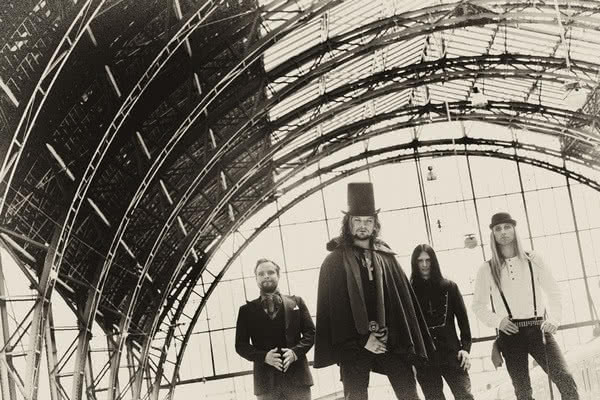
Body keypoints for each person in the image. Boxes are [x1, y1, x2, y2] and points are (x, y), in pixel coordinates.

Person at [314, 182, 434, 400]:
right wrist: (362, 341)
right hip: (353, 345)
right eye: (357, 220)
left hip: (391, 341)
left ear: (375, 224)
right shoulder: (334, 262)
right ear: (348, 223)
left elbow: (401, 306)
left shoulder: (387, 258)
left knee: (408, 393)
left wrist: (389, 335)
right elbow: (334, 311)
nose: (363, 226)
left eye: (368, 221)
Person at [472, 212, 579, 400]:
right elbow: (478, 306)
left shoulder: (533, 259)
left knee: (565, 378)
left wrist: (554, 319)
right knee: (523, 392)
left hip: (539, 330)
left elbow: (554, 291)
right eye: (498, 229)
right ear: (493, 234)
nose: (503, 232)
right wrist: (498, 321)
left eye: (507, 227)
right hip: (510, 335)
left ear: (514, 230)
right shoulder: (486, 269)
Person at [236, 258, 315, 399]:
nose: (266, 276)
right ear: (256, 279)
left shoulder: (297, 302)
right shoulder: (246, 311)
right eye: (261, 274)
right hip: (266, 384)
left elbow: (311, 333)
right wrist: (264, 357)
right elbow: (240, 345)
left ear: (278, 275)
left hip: (298, 380)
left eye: (270, 272)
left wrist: (295, 352)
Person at [410, 244, 474, 400]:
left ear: (434, 261)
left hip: (452, 354)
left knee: (465, 395)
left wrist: (465, 349)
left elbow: (463, 321)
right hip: (425, 358)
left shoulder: (450, 287)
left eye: (428, 260)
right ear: (415, 263)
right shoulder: (409, 291)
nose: (424, 265)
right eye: (420, 261)